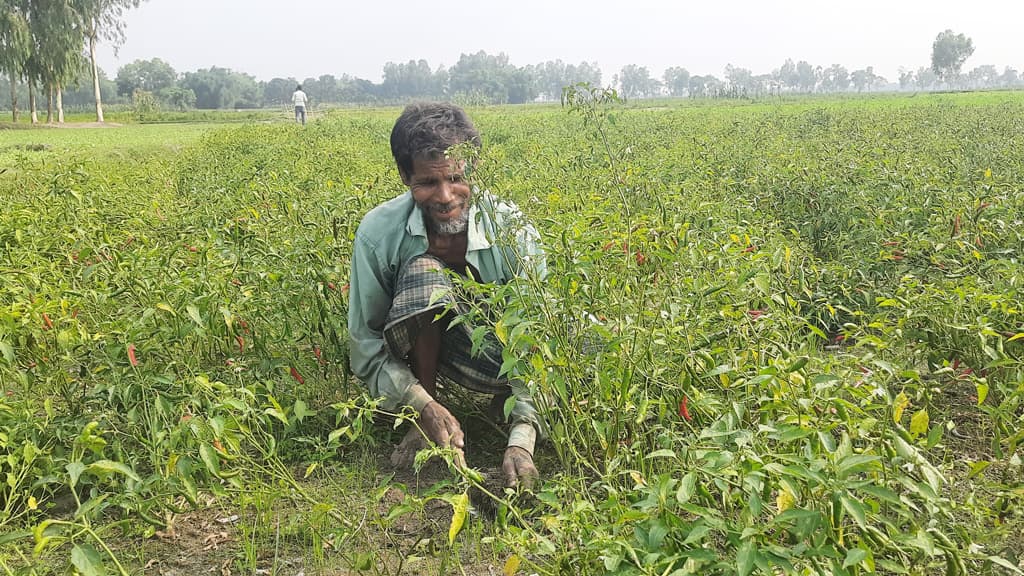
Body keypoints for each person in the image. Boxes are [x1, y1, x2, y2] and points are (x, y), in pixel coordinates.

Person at [347, 102, 544, 488]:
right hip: (424, 350)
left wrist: (522, 440)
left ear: (474, 168)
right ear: (404, 176)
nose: (445, 196)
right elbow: (365, 343)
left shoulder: (514, 231)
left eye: (455, 178)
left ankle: (509, 406)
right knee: (425, 272)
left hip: (501, 353)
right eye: (426, 183)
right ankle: (430, 412)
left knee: (583, 336)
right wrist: (421, 407)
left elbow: (538, 341)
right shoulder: (378, 234)